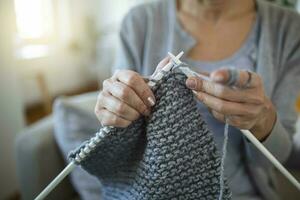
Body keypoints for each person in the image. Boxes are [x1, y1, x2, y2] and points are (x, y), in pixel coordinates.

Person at [54, 0, 300, 199]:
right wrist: (114, 109)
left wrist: (264, 121)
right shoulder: (140, 22)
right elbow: (121, 137)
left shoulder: (289, 29)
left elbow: (282, 156)